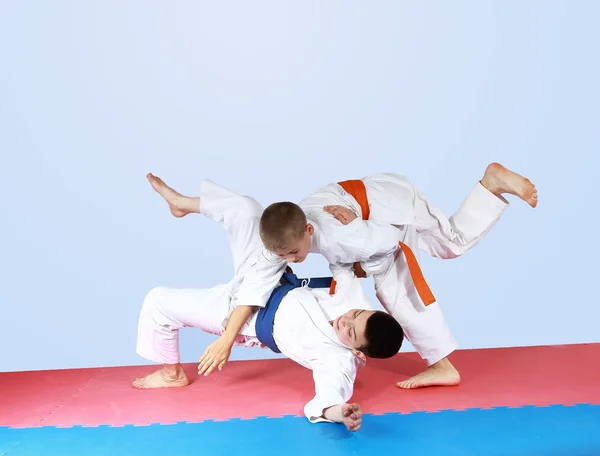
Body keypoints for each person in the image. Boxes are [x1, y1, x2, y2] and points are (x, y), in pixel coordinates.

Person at [223, 163, 538, 389]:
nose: (291, 260)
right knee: (416, 266)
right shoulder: (286, 228)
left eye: (293, 252)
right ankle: (441, 364)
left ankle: (490, 184)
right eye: (284, 256)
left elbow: (386, 241)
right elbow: (266, 279)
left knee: (444, 248)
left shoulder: (339, 238)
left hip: (387, 209)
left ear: (307, 229)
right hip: (367, 212)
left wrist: (359, 255)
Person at [133, 175, 403, 431]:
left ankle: (171, 374)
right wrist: (354, 225)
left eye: (350, 332)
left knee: (157, 300)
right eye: (356, 314)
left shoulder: (338, 361)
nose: (346, 319)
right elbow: (343, 262)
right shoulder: (355, 300)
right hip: (273, 275)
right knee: (246, 208)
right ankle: (182, 204)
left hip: (244, 316)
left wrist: (339, 413)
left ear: (357, 353)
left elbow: (329, 397)